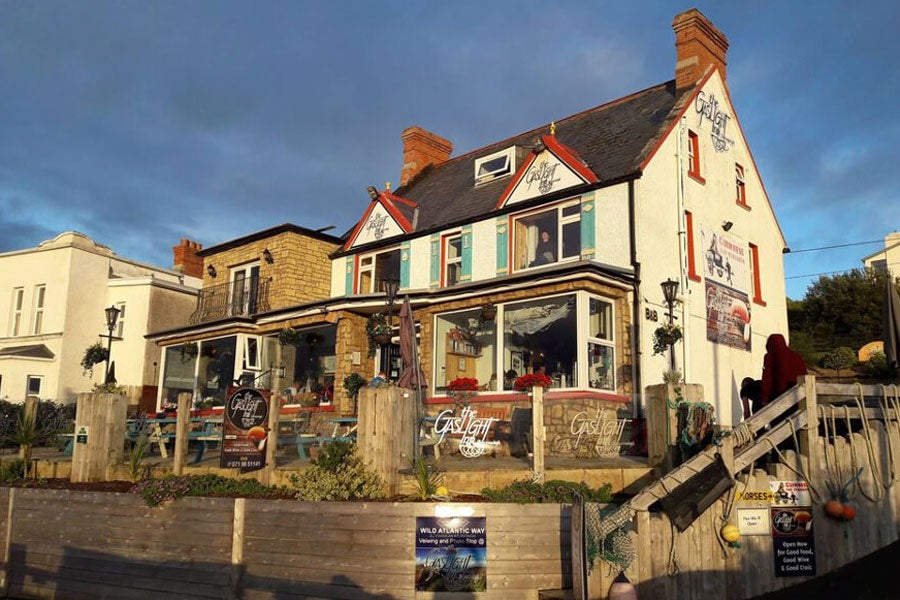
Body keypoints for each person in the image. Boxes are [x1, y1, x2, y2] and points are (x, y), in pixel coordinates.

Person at [760, 333, 808, 406]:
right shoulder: (797, 356)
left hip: (780, 398)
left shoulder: (770, 356)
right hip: (798, 397)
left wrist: (764, 399)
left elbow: (767, 378)